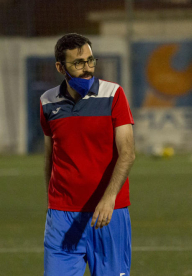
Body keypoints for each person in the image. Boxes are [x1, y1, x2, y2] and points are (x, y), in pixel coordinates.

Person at [40, 33, 135, 276]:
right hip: (62, 216)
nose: (87, 69)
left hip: (108, 213)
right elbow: (49, 156)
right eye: (78, 63)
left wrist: (109, 198)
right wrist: (53, 202)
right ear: (61, 67)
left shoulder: (114, 94)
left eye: (90, 60)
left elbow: (127, 153)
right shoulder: (47, 101)